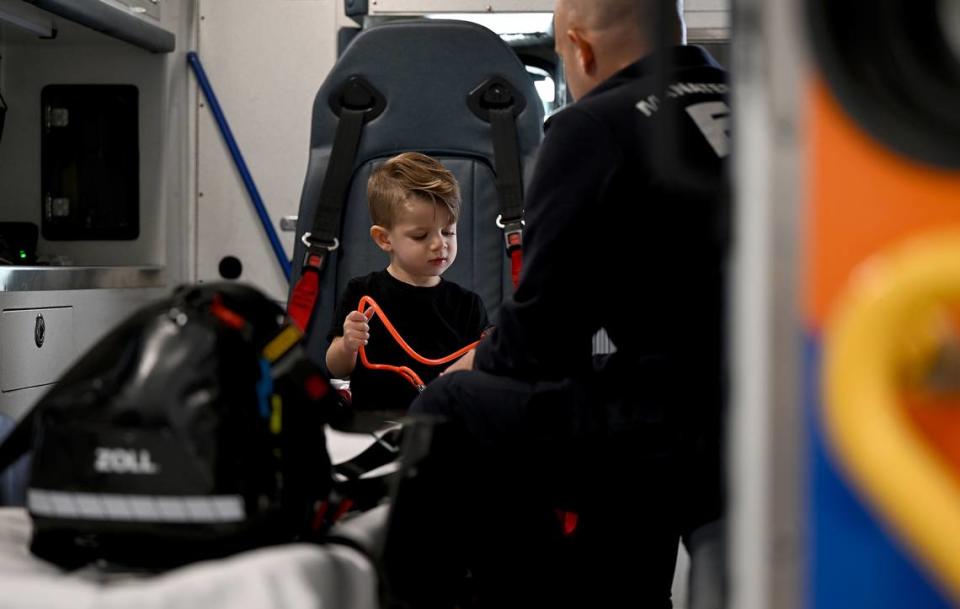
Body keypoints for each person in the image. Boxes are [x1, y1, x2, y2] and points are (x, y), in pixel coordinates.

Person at [383, 1, 729, 607]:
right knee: (617, 387)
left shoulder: (594, 127)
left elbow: (538, 340)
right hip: (780, 411)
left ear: (580, 48)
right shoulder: (767, 105)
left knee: (451, 405)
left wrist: (466, 367)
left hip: (676, 426)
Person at [325, 152, 490, 414]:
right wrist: (347, 344)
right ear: (384, 239)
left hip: (444, 425)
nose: (440, 244)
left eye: (448, 232)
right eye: (421, 235)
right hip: (374, 425)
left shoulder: (468, 304)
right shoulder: (362, 293)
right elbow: (337, 367)